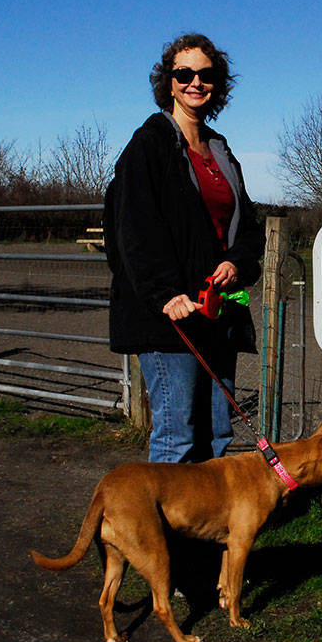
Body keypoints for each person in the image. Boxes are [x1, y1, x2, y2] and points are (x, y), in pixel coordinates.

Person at [104, 34, 265, 464]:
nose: (196, 82)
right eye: (184, 73)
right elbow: (132, 230)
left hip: (218, 312)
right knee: (178, 437)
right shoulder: (149, 145)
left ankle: (203, 530)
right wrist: (163, 295)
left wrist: (236, 262)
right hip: (171, 318)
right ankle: (162, 532)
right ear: (169, 82)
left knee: (216, 433)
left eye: (205, 74)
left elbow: (249, 228)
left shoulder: (220, 150)